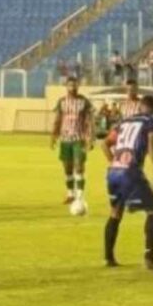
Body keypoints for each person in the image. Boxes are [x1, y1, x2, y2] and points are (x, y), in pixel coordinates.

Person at [100, 96, 153, 270]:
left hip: (114, 172)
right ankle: (150, 258)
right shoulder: (151, 121)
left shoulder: (124, 121)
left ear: (140, 106)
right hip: (131, 172)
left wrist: (114, 162)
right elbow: (151, 145)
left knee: (115, 212)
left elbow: (104, 144)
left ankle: (108, 258)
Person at [51, 76, 94, 207]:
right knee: (67, 168)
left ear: (78, 86)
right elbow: (58, 119)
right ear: (66, 87)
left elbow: (89, 121)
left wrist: (90, 138)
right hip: (65, 139)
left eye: (74, 85)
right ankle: (70, 194)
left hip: (79, 139)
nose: (72, 88)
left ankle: (80, 196)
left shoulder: (84, 102)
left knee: (79, 166)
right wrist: (53, 136)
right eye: (70, 85)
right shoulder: (62, 102)